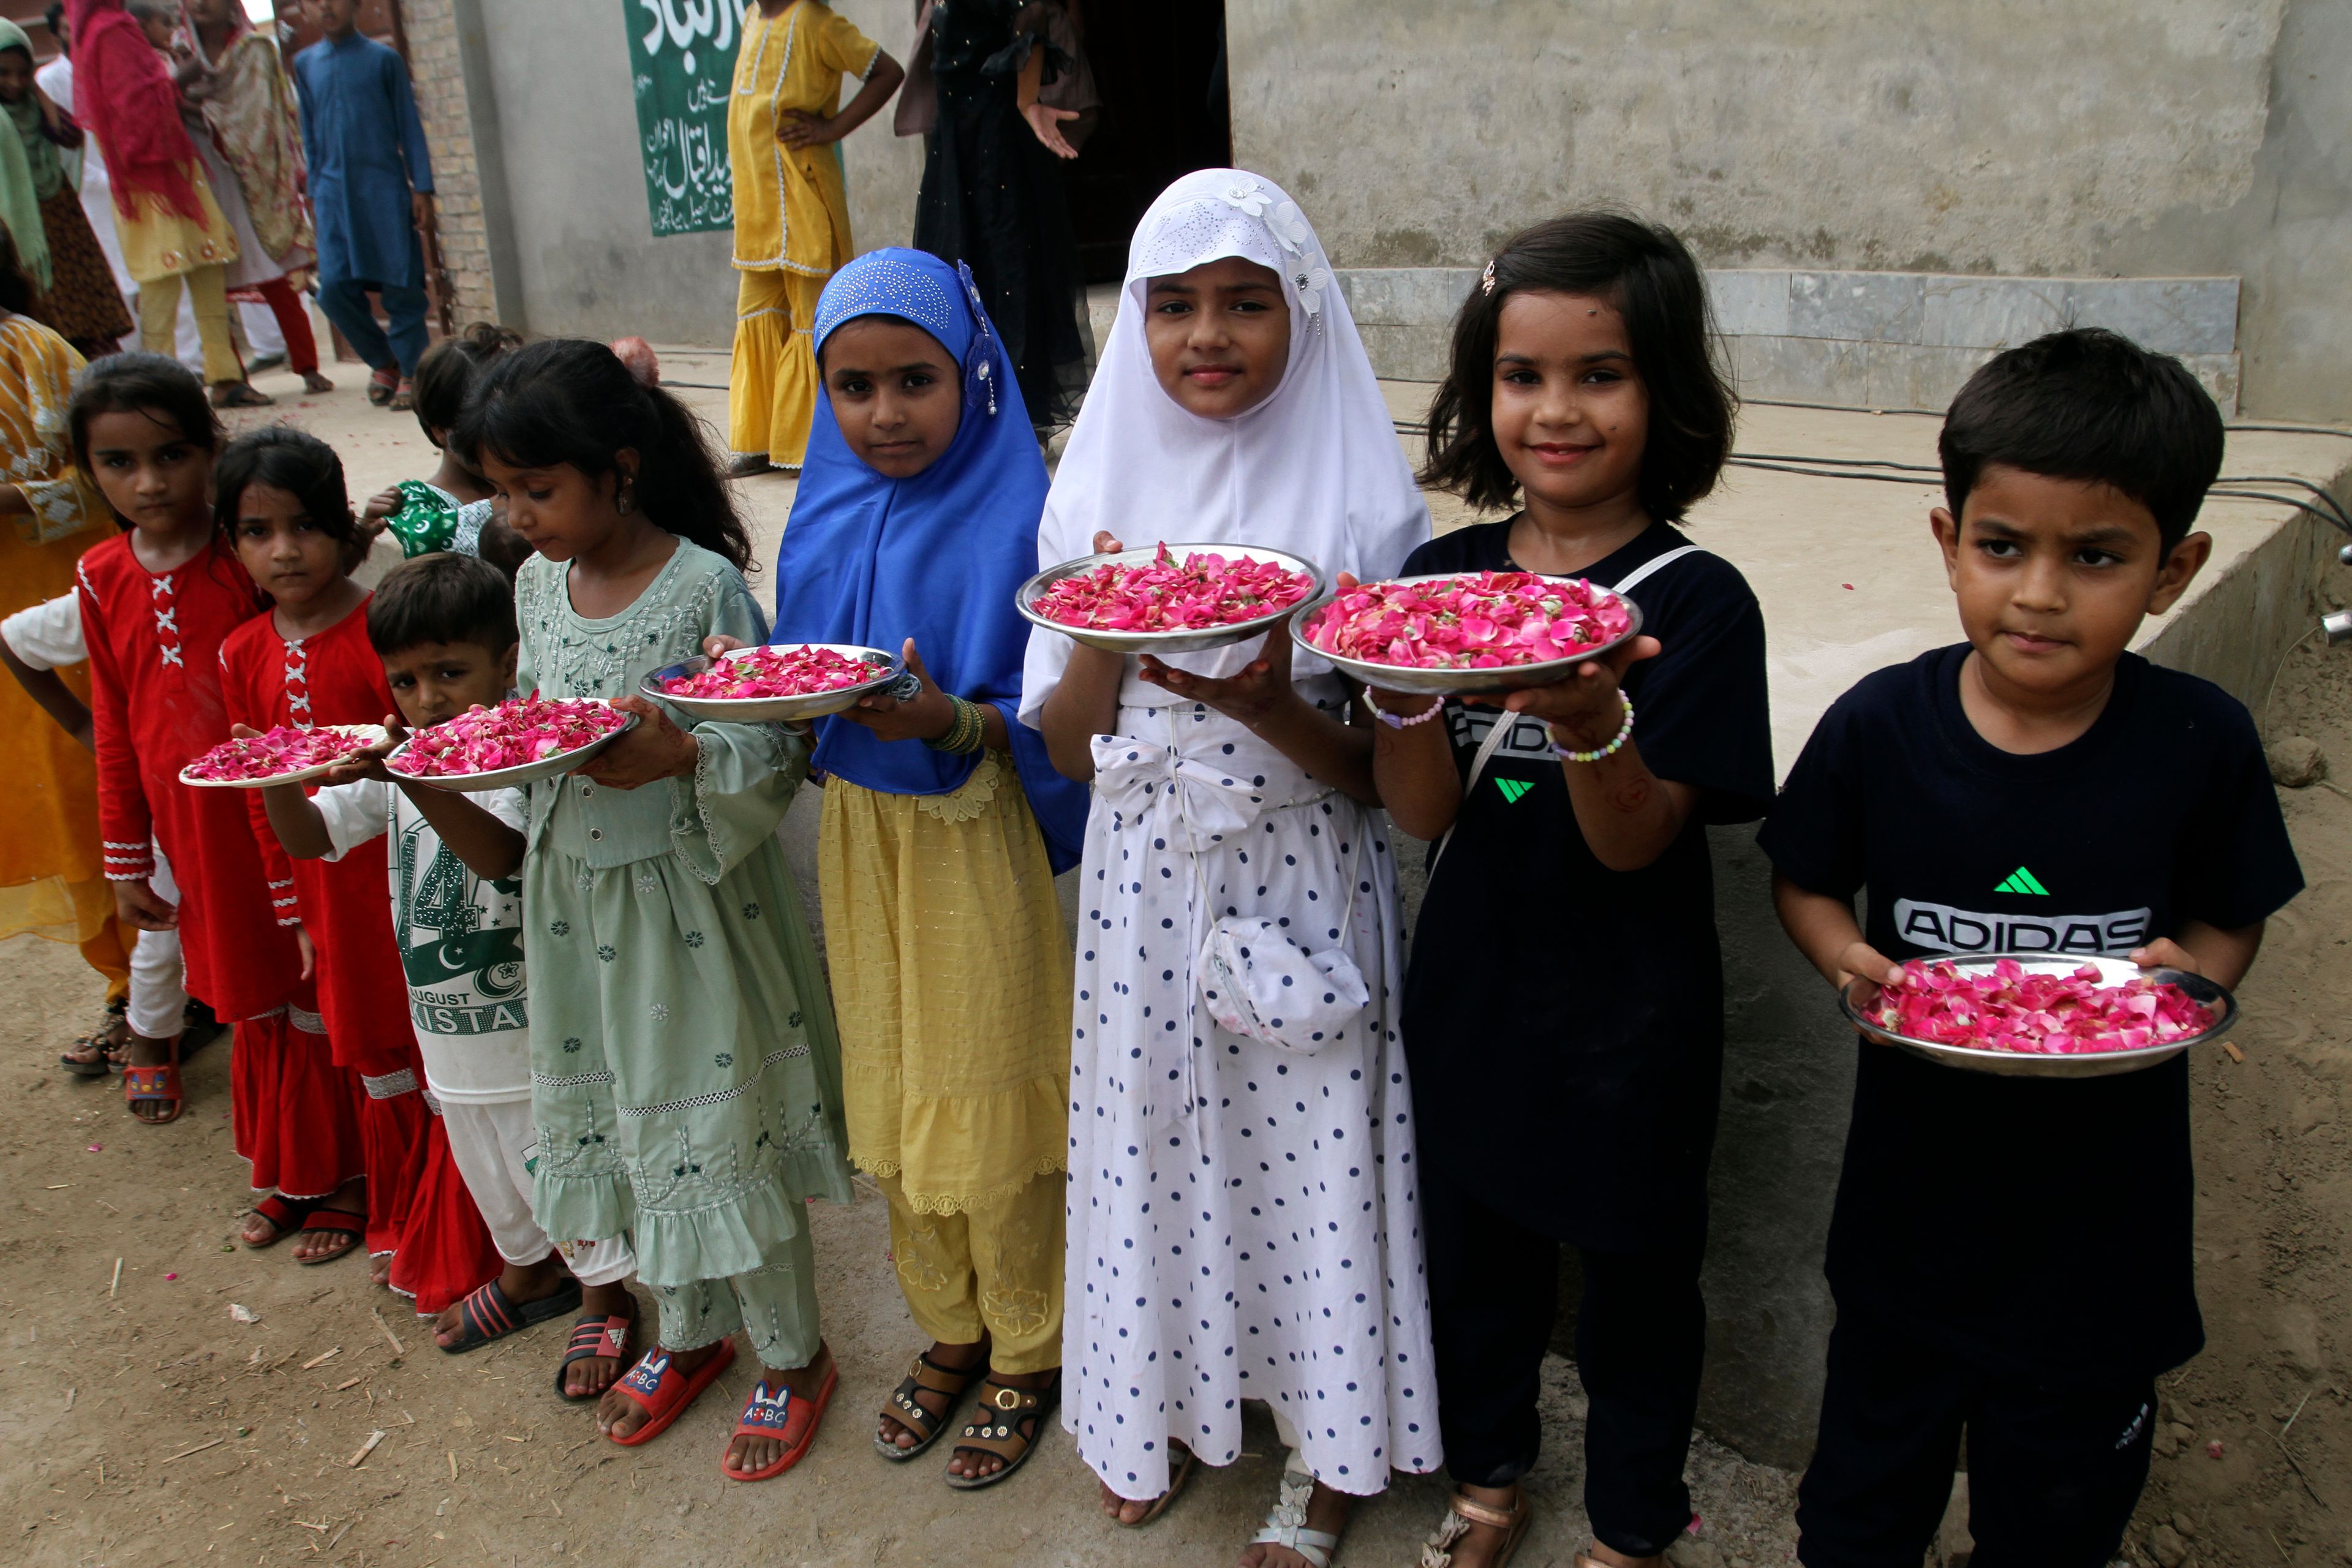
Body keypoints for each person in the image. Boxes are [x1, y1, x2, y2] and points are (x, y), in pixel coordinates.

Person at [1759, 329, 2304, 1568]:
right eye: (2004, 547)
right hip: (1910, 1220)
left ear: (2176, 569)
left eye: (2098, 555)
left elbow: (2233, 908)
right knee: (1858, 1508)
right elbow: (1804, 876)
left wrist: (2196, 980)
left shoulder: (2198, 741)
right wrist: (1845, 953)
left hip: (2102, 1237)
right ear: (1952, 541)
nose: (2042, 592)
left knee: (2056, 1515)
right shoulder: (1883, 725)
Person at [1023, 170, 1440, 1561]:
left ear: (1300, 311)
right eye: (1174, 304)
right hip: (1142, 883)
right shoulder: (1091, 491)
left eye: (1246, 302)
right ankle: (1156, 1401)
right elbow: (1075, 750)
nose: (1208, 334)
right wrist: (1101, 619)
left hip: (1298, 871)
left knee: (1303, 1159)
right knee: (1155, 1147)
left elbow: (1381, 780)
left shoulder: (1362, 512)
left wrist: (1267, 702)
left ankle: (1327, 1461)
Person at [1373, 215, 1771, 1568]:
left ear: (1665, 389)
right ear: (1481, 391)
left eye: (1600, 372)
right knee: (1476, 1267)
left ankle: (1633, 1523)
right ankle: (1488, 1476)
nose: (1557, 410)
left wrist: (1598, 717)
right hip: (1472, 989)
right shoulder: (1437, 581)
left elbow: (1638, 840)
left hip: (1630, 1022)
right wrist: (1393, 692)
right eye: (1523, 374)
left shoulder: (1699, 603)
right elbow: (1422, 811)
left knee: (1637, 1290)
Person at [716, 247, 1089, 1487]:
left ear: (973, 374)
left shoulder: (1023, 515)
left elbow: (1045, 721)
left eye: (915, 381)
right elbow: (803, 675)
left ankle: (1028, 1344)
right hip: (864, 844)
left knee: (986, 1086)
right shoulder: (821, 506)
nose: (883, 415)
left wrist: (948, 720)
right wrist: (752, 681)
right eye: (853, 386)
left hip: (973, 833)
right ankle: (948, 1326)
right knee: (894, 1086)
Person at [448, 339, 855, 1473]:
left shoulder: (701, 585)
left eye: (541, 488)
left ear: (619, 468)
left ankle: (791, 1352)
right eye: (503, 492)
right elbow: (538, 714)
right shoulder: (533, 584)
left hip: (691, 903)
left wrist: (682, 758)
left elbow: (767, 740)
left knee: (721, 1125)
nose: (520, 515)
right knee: (637, 1126)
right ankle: (691, 1332)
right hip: (577, 901)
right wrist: (493, 743)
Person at [257, 552, 641, 1396]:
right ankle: (527, 1272)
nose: (427, 699)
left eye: (449, 672)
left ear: (505, 665)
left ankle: (605, 1297)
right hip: (447, 1031)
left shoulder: (507, 758)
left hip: (533, 1031)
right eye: (404, 682)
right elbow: (309, 839)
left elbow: (499, 856)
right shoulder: (404, 761)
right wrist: (279, 775)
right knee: (489, 1170)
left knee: (563, 1164)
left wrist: (413, 775)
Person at [72, 358, 341, 1199]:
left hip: (280, 818)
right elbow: (114, 724)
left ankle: (341, 1169)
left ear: (210, 448)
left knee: (313, 983)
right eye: (118, 463)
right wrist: (125, 858)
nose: (149, 483)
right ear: (87, 470)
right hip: (188, 831)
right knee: (250, 995)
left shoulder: (251, 557)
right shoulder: (99, 575)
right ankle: (295, 1167)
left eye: (172, 455)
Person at [216, 425, 467, 1286]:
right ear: (233, 542)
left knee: (407, 1033)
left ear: (340, 525)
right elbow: (257, 787)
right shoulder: (240, 652)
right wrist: (289, 907)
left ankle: (419, 1208)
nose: (284, 551)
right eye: (256, 532)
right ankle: (354, 1180)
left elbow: (422, 751)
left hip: (394, 874)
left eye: (305, 525)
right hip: (314, 880)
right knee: (349, 1027)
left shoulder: (381, 627)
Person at [0, 226, 140, 1071]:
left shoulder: (37, 353)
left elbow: (100, 488)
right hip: (10, 648)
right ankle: (126, 982)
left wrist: (16, 503)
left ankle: (156, 990)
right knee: (47, 806)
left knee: (100, 793)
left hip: (63, 615)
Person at [721, 0, 902, 479]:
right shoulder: (753, 19)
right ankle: (759, 443)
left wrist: (832, 128)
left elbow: (888, 71)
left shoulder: (817, 22)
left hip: (803, 195)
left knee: (813, 322)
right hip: (757, 208)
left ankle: (809, 446)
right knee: (757, 316)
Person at [62, 0, 265, 405]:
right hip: (152, 178)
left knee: (207, 267)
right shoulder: (111, 30)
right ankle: (157, 386)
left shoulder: (107, 28)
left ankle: (225, 375)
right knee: (162, 282)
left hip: (170, 169)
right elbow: (134, 105)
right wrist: (179, 79)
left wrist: (172, 84)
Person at [911, 0, 1091, 435]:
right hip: (956, 144)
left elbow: (1032, 18)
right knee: (956, 269)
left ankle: (1016, 414)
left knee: (1006, 267)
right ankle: (968, 408)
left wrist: (1027, 98)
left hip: (996, 144)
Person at [171, 0, 331, 395]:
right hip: (203, 171)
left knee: (276, 273)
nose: (202, 4)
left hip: (256, 176)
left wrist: (203, 105)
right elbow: (163, 105)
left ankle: (308, 365)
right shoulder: (178, 53)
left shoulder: (255, 51)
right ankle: (232, 377)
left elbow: (264, 112)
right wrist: (186, 98)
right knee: (213, 283)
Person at [292, 0, 431, 411]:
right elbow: (310, 133)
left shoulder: (383, 60)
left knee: (400, 283)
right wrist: (314, 193)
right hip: (333, 194)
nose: (327, 6)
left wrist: (420, 187)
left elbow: (409, 122)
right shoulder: (305, 64)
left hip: (383, 188)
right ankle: (382, 360)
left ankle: (410, 369)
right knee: (332, 289)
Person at [0, 19, 132, 357]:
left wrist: (37, 93)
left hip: (58, 216)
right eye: (3, 73)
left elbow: (70, 135)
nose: (14, 83)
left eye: (22, 72)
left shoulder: (36, 108)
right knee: (38, 305)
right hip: (15, 228)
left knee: (83, 304)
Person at [358, 321, 526, 570]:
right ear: (441, 431)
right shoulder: (417, 501)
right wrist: (495, 506)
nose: (506, 441)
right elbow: (424, 539)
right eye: (485, 432)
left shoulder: (530, 476)